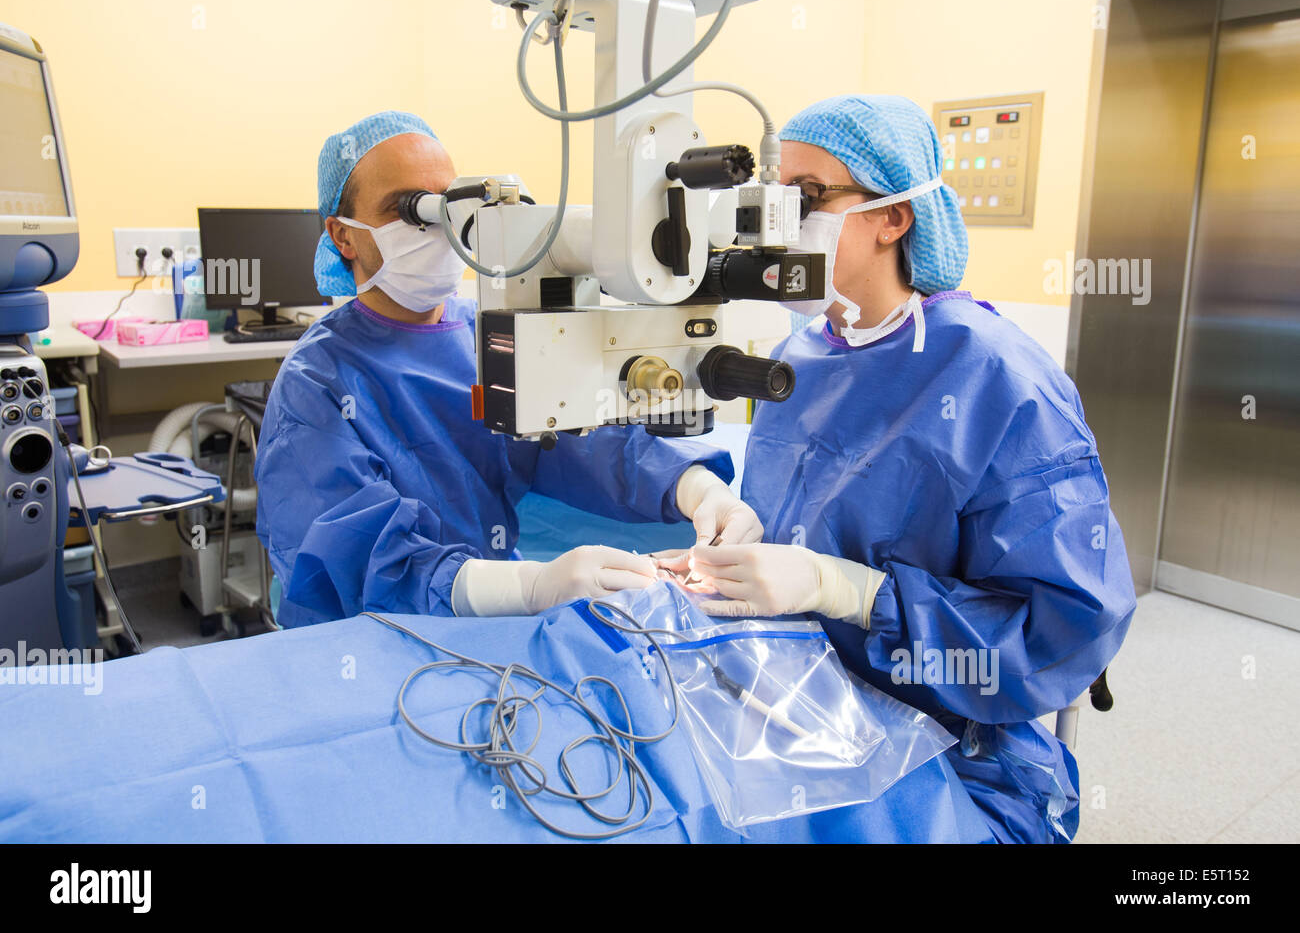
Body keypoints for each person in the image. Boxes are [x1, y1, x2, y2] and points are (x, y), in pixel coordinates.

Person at [672, 95, 1137, 843]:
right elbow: (804, 523)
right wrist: (742, 535)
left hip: (947, 742)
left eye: (809, 197)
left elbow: (1067, 627)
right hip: (799, 696)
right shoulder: (804, 353)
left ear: (893, 217)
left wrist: (850, 591)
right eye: (774, 192)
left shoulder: (995, 375)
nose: (780, 219)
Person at [256, 111, 760, 628]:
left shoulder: (490, 335)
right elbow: (355, 563)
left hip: (496, 607)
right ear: (343, 236)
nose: (436, 228)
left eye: (443, 205)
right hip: (377, 635)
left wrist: (695, 487)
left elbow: (571, 433)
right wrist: (531, 586)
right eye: (406, 210)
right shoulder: (315, 383)